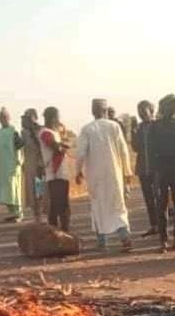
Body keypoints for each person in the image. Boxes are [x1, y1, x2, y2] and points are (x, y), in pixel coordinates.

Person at [75, 98, 133, 252]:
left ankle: (102, 241)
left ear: (93, 111)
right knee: (117, 206)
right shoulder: (114, 126)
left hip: (95, 176)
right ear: (105, 110)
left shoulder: (87, 129)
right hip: (114, 175)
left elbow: (80, 153)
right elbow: (123, 151)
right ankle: (124, 237)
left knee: (98, 206)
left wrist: (78, 171)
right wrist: (127, 173)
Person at [149, 94, 175, 252]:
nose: (173, 108)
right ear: (163, 107)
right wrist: (154, 173)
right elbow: (151, 151)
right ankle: (163, 241)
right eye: (170, 105)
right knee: (161, 206)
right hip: (161, 170)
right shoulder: (155, 126)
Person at [39, 106, 72, 232]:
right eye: (58, 117)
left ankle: (57, 232)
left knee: (57, 205)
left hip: (59, 172)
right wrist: (63, 145)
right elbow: (56, 147)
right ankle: (62, 232)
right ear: (53, 118)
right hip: (55, 173)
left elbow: (60, 146)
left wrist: (62, 144)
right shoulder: (45, 132)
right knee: (60, 205)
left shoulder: (54, 132)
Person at [132, 100, 158, 236]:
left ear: (151, 111)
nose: (141, 114)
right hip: (143, 169)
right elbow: (135, 147)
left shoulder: (157, 126)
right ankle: (154, 225)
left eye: (143, 111)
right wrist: (133, 131)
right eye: (139, 111)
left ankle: (161, 225)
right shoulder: (139, 128)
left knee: (159, 197)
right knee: (148, 198)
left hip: (157, 168)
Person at [0, 108, 23, 222]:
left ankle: (18, 213)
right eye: (1, 118)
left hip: (12, 165)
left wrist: (18, 161)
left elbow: (19, 147)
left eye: (5, 117)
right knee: (6, 191)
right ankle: (11, 213)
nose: (3, 120)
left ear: (9, 118)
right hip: (2, 166)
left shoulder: (14, 131)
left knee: (14, 189)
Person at [20, 109, 45, 221]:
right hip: (30, 165)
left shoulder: (41, 130)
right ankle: (36, 215)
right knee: (31, 191)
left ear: (35, 117)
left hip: (40, 165)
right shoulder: (24, 133)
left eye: (29, 117)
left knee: (40, 189)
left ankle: (41, 213)